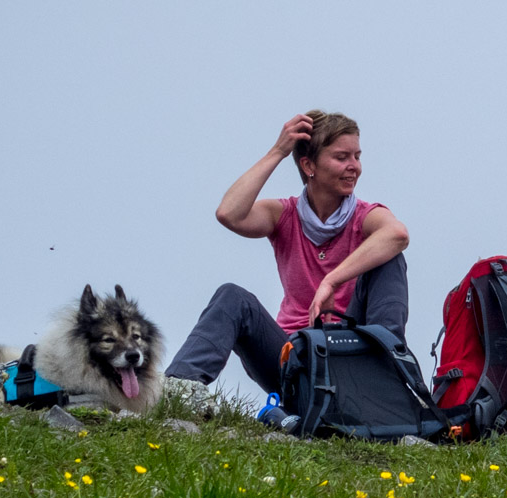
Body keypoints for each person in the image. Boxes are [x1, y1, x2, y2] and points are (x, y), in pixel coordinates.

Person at [167, 110, 410, 395]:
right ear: (309, 165)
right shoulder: (284, 214)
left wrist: (330, 280)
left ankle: (386, 382)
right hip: (294, 358)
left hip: (353, 361)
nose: (354, 166)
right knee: (232, 296)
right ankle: (179, 390)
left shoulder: (366, 217)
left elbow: (397, 234)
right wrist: (278, 151)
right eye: (342, 157)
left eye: (357, 156)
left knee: (390, 257)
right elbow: (228, 213)